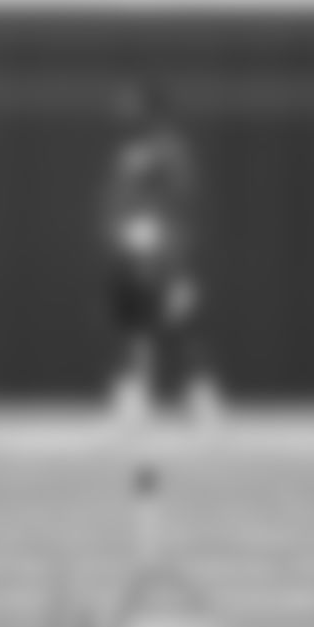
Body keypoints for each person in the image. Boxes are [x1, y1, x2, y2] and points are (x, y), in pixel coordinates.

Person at [98, 82, 220, 424]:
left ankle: (201, 394)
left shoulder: (170, 149)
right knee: (136, 324)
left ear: (151, 111)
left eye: (132, 107)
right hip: (133, 251)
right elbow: (119, 203)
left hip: (165, 251)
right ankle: (136, 393)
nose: (124, 113)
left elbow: (180, 198)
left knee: (182, 320)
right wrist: (124, 239)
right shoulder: (129, 152)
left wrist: (174, 257)